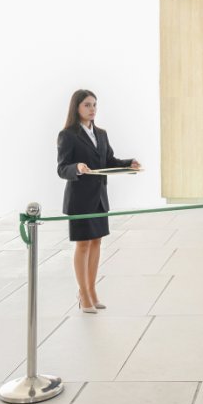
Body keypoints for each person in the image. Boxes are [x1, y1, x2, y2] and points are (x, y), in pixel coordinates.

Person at [57, 89, 140, 314]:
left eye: (94, 105)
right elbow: (62, 168)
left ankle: (92, 291)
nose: (92, 109)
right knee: (83, 245)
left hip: (100, 198)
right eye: (87, 105)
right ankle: (83, 293)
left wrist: (128, 164)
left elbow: (108, 160)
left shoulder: (101, 134)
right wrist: (78, 168)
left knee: (96, 243)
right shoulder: (68, 135)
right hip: (80, 200)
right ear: (77, 108)